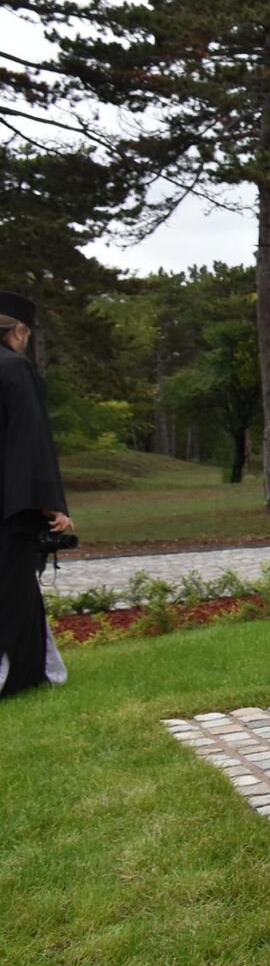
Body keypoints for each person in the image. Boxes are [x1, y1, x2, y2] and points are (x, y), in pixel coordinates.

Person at [0, 291, 71, 698]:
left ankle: (37, 668)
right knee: (11, 587)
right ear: (20, 331)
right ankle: (19, 676)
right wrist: (50, 504)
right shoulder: (15, 370)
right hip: (10, 506)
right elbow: (29, 442)